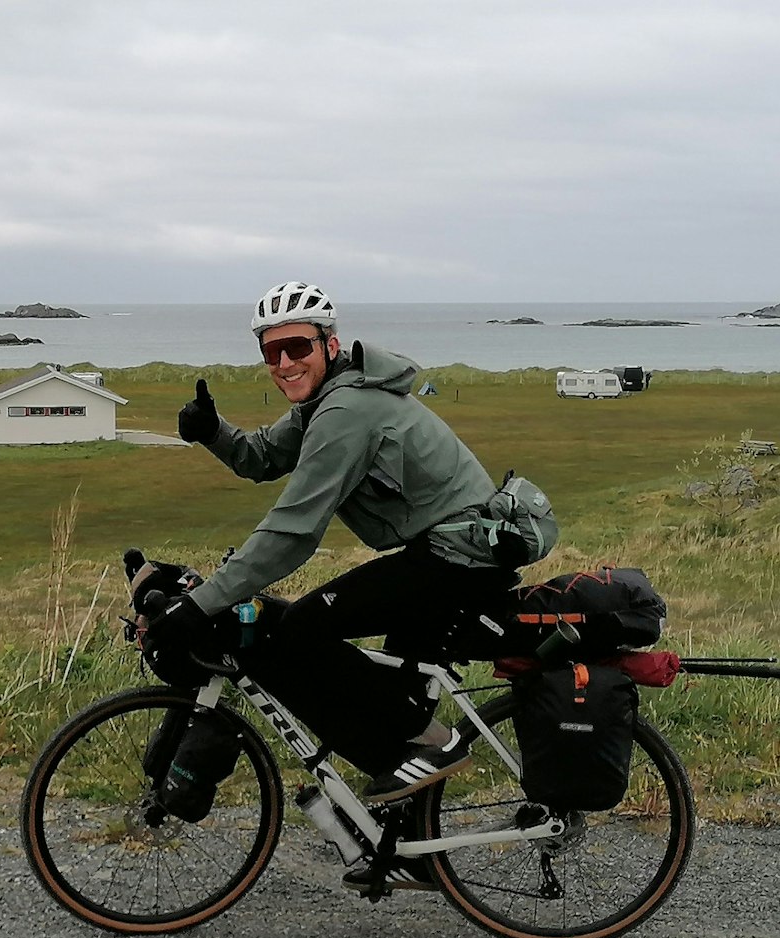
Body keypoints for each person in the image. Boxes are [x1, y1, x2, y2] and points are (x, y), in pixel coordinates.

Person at [145, 282, 521, 890]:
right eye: (272, 353)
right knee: (388, 685)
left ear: (329, 344)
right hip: (441, 554)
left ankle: (436, 746)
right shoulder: (330, 401)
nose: (285, 363)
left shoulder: (347, 411)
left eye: (297, 347)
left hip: (456, 559)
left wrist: (201, 603)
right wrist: (213, 430)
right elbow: (264, 456)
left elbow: (293, 532)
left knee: (300, 629)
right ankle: (410, 844)